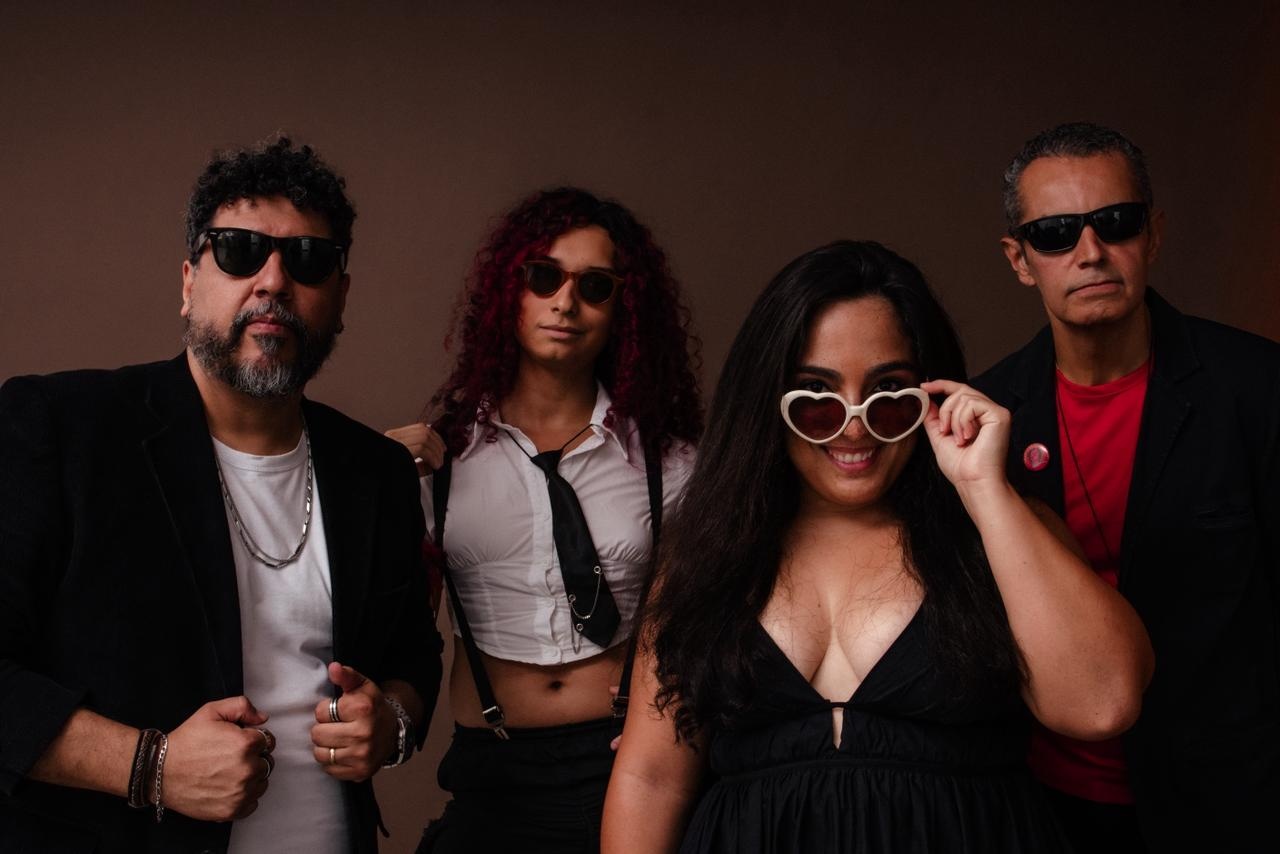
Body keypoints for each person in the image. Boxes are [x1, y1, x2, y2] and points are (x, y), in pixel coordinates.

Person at [601, 240, 1154, 852]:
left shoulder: (1004, 529)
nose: (855, 425)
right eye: (817, 397)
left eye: (889, 393)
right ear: (769, 402)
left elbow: (1102, 705)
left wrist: (984, 491)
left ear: (930, 394)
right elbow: (651, 779)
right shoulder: (705, 555)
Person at [0, 137, 441, 853]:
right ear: (188, 281)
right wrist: (150, 766)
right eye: (239, 251)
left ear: (340, 297)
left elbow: (414, 656)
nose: (273, 282)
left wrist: (391, 722)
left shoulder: (377, 471)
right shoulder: (60, 429)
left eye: (308, 259)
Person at [974, 121, 1280, 853]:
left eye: (1116, 222)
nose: (1090, 252)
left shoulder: (1258, 387)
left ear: (1154, 234)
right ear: (1020, 260)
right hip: (1043, 805)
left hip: (1230, 804)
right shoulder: (987, 422)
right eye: (1055, 234)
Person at [387, 187, 702, 853]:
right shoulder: (440, 458)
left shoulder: (669, 463)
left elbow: (705, 628)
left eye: (595, 285)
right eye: (544, 277)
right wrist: (371, 485)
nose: (565, 302)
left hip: (624, 763)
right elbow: (386, 631)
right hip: (492, 769)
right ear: (512, 290)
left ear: (623, 309)